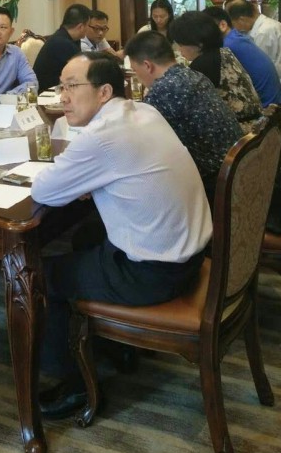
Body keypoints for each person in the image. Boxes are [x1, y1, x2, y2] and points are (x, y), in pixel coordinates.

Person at [31, 52, 212, 419]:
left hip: (154, 274)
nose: (63, 97)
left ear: (104, 92)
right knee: (85, 236)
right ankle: (119, 344)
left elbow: (44, 190)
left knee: (41, 277)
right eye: (61, 87)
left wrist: (85, 178)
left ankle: (75, 385)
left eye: (72, 86)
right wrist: (92, 179)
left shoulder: (102, 137)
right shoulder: (143, 111)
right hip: (192, 254)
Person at [124, 30, 243, 206]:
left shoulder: (163, 90)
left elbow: (140, 144)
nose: (138, 77)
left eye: (136, 70)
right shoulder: (194, 75)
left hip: (212, 183)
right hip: (236, 168)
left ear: (148, 66)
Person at [170, 11, 264, 132]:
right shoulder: (224, 52)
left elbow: (186, 105)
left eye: (181, 44)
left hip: (240, 132)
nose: (179, 49)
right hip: (258, 126)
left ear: (198, 43)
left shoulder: (203, 64)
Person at [204, 6, 281, 109]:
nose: (202, 34)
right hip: (275, 102)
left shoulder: (227, 46)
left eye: (205, 29)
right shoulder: (237, 37)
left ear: (223, 25)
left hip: (265, 109)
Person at [224, 0, 281, 86]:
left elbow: (256, 68)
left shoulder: (263, 32)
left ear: (241, 19)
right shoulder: (268, 25)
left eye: (233, 24)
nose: (235, 29)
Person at [33, 3, 90, 92]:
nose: (88, 29)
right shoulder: (63, 43)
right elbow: (82, 72)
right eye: (88, 25)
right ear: (81, 27)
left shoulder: (68, 38)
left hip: (61, 89)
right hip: (48, 94)